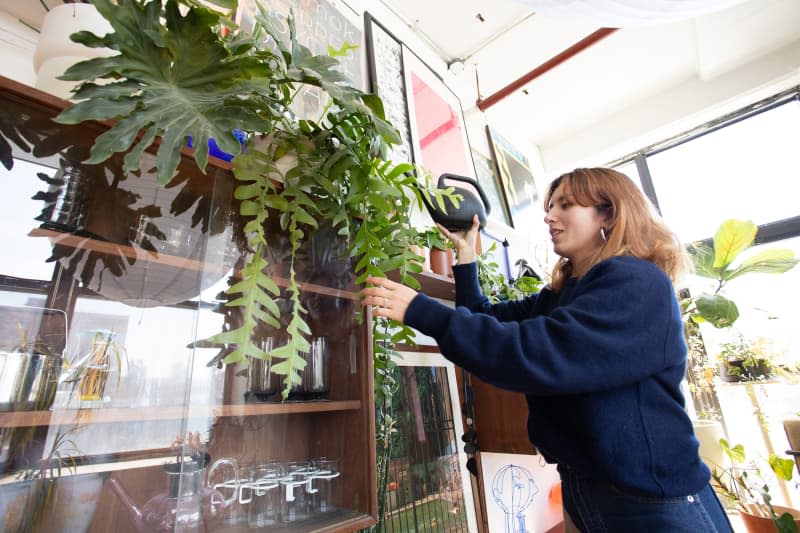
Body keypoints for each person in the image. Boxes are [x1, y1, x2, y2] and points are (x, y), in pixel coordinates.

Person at [360, 168, 733, 532]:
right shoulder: (564, 295)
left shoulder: (636, 282)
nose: (549, 216)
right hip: (584, 487)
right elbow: (487, 319)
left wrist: (421, 310)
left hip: (650, 503)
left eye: (565, 205)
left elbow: (537, 353)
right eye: (550, 206)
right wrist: (467, 255)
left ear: (609, 213)